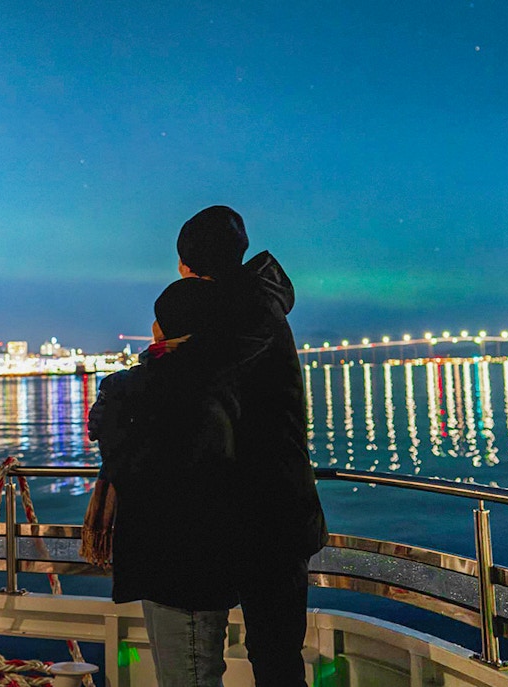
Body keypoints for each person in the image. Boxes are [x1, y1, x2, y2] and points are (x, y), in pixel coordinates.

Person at [175, 205, 328, 687]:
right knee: (274, 653)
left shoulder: (234, 317)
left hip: (258, 516)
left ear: (190, 268)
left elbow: (194, 399)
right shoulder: (257, 308)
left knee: (250, 656)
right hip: (276, 510)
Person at [84, 278, 242, 687]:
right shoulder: (224, 378)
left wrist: (127, 381)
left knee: (187, 675)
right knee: (192, 671)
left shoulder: (155, 387)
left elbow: (109, 437)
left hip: (175, 563)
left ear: (162, 330)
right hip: (199, 560)